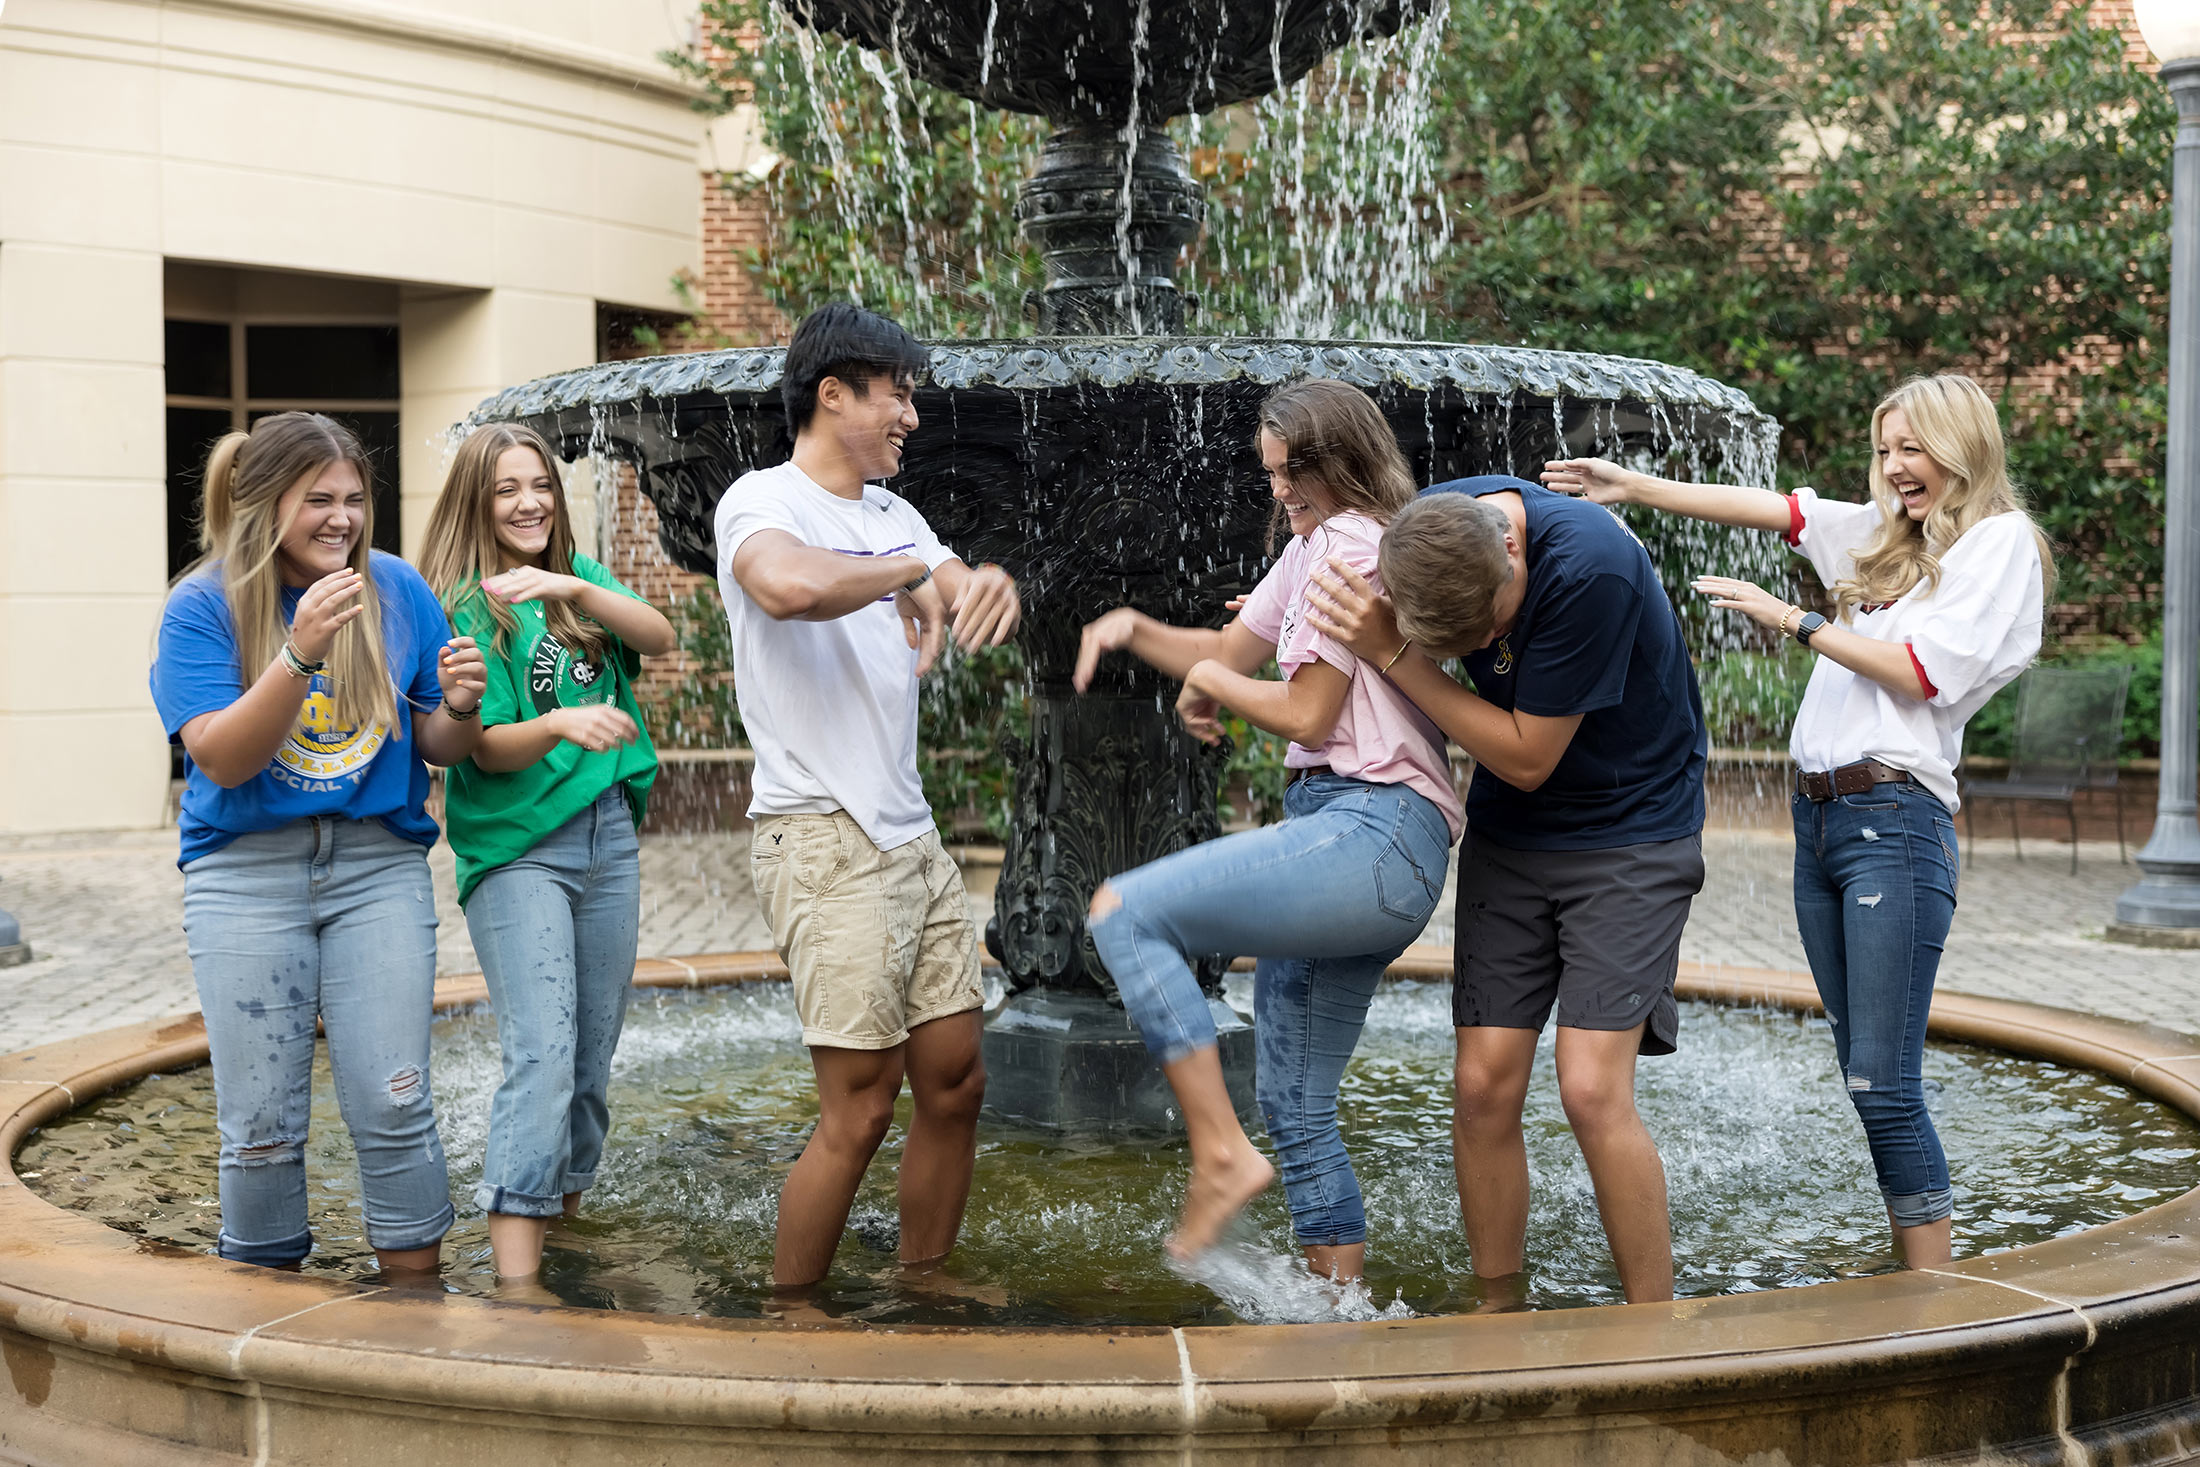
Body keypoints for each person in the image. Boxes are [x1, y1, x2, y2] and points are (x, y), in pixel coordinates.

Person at [1539, 374, 2051, 1269]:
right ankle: (1911, 1265)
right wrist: (1633, 486)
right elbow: (1775, 508)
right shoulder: (1891, 539)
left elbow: (1922, 672)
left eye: (1913, 449)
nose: (1894, 469)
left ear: (1962, 447)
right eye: (1885, 450)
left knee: (1885, 1083)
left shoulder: (1998, 543)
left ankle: (1939, 1290)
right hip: (1820, 825)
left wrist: (1797, 620)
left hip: (1894, 818)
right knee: (1866, 1078)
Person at [1075, 378, 1463, 1279]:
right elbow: (1225, 652)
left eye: (1295, 471)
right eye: (1273, 473)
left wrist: (1217, 689)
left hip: (1370, 829)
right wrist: (1137, 628)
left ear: (1342, 462)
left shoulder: (1347, 545)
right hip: (1363, 839)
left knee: (1124, 910)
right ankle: (1338, 1317)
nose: (1281, 489)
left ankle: (1219, 1152)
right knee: (1295, 1104)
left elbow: (1307, 713)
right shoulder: (1313, 549)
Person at [1308, 470, 1708, 1308]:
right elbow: (1321, 559)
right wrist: (1274, 626)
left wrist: (1394, 653)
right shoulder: (1426, 531)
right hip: (1516, 836)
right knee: (1483, 1084)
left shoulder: (1589, 566)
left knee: (1592, 1088)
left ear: (1513, 545)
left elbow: (1527, 755)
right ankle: (1499, 1312)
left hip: (1630, 832)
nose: (1494, 642)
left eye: (1495, 624)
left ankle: (1656, 1327)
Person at [716, 303, 1022, 1292]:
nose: (911, 418)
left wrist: (981, 586)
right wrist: (900, 576)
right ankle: (790, 1312)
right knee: (858, 1106)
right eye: (896, 394)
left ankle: (921, 1276)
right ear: (832, 392)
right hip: (819, 834)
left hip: (909, 836)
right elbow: (783, 587)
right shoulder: (761, 501)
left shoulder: (897, 512)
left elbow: (953, 578)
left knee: (954, 1083)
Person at [149, 411, 485, 1275]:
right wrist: (298, 656)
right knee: (260, 1126)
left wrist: (457, 705)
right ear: (266, 505)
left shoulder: (397, 589)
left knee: (394, 1101)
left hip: (376, 866)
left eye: (353, 498)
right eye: (318, 501)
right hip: (245, 874)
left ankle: (417, 1315)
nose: (341, 518)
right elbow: (220, 758)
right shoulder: (203, 606)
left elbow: (438, 748)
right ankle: (263, 1327)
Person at [416, 422, 675, 1289]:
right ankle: (517, 1282)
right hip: (521, 852)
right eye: (506, 489)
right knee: (544, 1052)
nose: (529, 501)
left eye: (541, 485)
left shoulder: (576, 586)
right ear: (477, 502)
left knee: (593, 1057)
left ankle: (559, 1226)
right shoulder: (467, 603)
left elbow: (661, 634)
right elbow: (483, 748)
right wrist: (564, 721)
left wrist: (575, 582)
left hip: (607, 836)